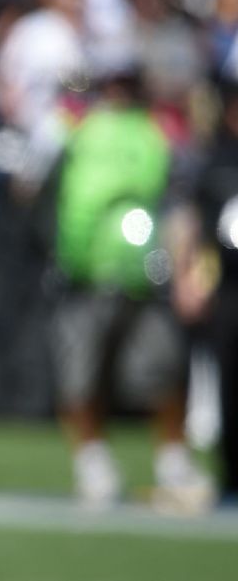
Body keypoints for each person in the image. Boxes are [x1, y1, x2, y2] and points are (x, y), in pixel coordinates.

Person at [48, 57, 213, 513]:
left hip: (145, 269)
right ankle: (92, 461)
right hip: (82, 270)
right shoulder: (72, 132)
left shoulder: (159, 134)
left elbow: (180, 203)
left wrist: (183, 269)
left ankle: (173, 461)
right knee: (79, 372)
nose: (119, 93)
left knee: (161, 369)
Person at [172, 78, 238, 505]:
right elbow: (189, 221)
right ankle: (231, 472)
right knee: (229, 381)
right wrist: (185, 277)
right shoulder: (215, 160)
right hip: (230, 286)